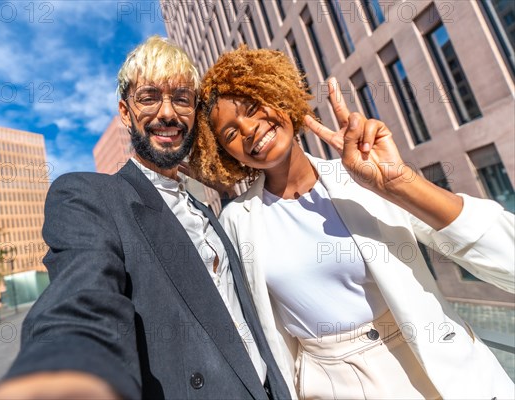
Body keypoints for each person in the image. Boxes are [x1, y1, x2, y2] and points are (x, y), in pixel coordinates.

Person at [189, 46, 515, 400]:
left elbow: (507, 261)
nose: (250, 129)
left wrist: (400, 184)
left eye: (252, 108)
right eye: (231, 134)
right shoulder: (237, 221)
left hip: (436, 370)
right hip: (329, 385)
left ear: (278, 95)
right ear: (224, 153)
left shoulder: (360, 174)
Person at [0, 37, 291, 399]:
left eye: (181, 98)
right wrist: (65, 378)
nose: (167, 112)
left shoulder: (205, 211)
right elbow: (82, 302)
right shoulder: (90, 197)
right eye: (149, 97)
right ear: (125, 111)